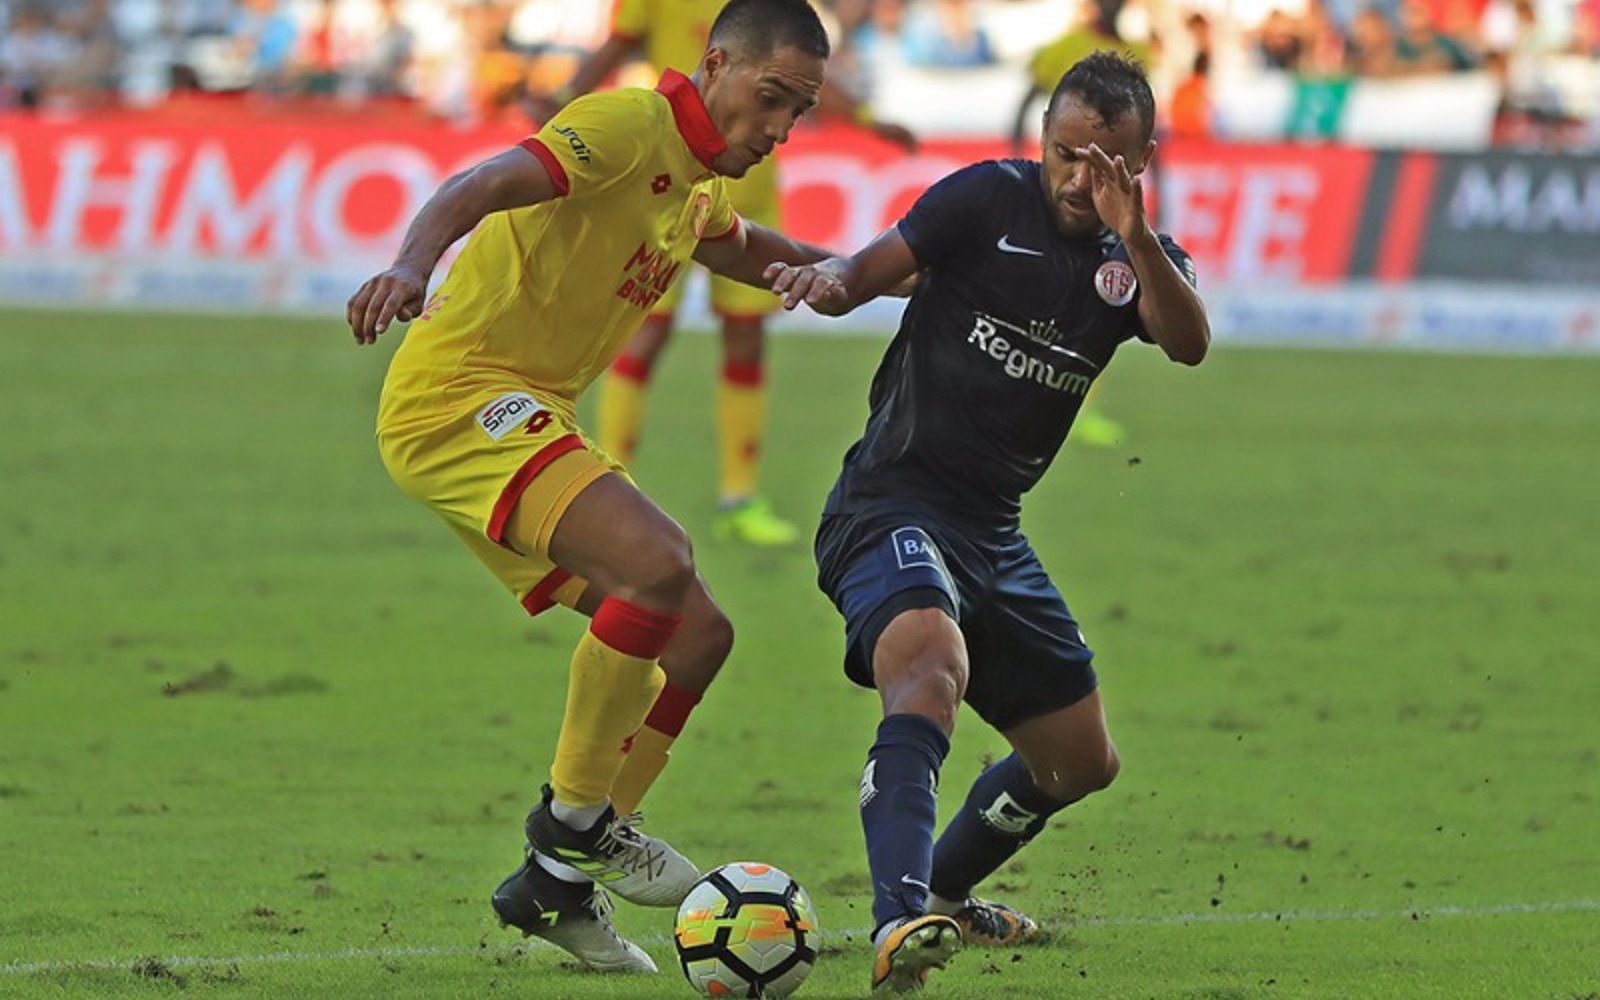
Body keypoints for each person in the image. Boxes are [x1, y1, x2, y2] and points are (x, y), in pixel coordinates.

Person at [345, 0, 834, 974]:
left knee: (699, 635)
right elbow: (483, 181)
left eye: (800, 110)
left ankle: (554, 886)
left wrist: (899, 273)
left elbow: (752, 252)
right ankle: (578, 822)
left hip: (529, 412)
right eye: (772, 96)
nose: (780, 127)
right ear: (715, 64)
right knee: (656, 560)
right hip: (460, 396)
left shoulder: (695, 188)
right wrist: (408, 264)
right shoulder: (625, 126)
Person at [765, 51, 1209, 993]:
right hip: (888, 501)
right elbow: (866, 270)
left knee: (1078, 762)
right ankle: (899, 920)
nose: (1079, 179)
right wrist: (828, 280)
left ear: (1141, 162)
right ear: (1041, 138)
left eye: (1104, 163)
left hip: (993, 533)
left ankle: (945, 893)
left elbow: (1189, 343)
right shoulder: (983, 200)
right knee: (930, 664)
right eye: (1065, 153)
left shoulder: (1137, 261)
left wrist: (1135, 236)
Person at [528, 0, 915, 547]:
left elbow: (803, 74)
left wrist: (868, 120)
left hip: (750, 192)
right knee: (645, 333)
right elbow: (619, 45)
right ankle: (608, 482)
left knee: (746, 341)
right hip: (669, 180)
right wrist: (566, 96)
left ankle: (739, 498)